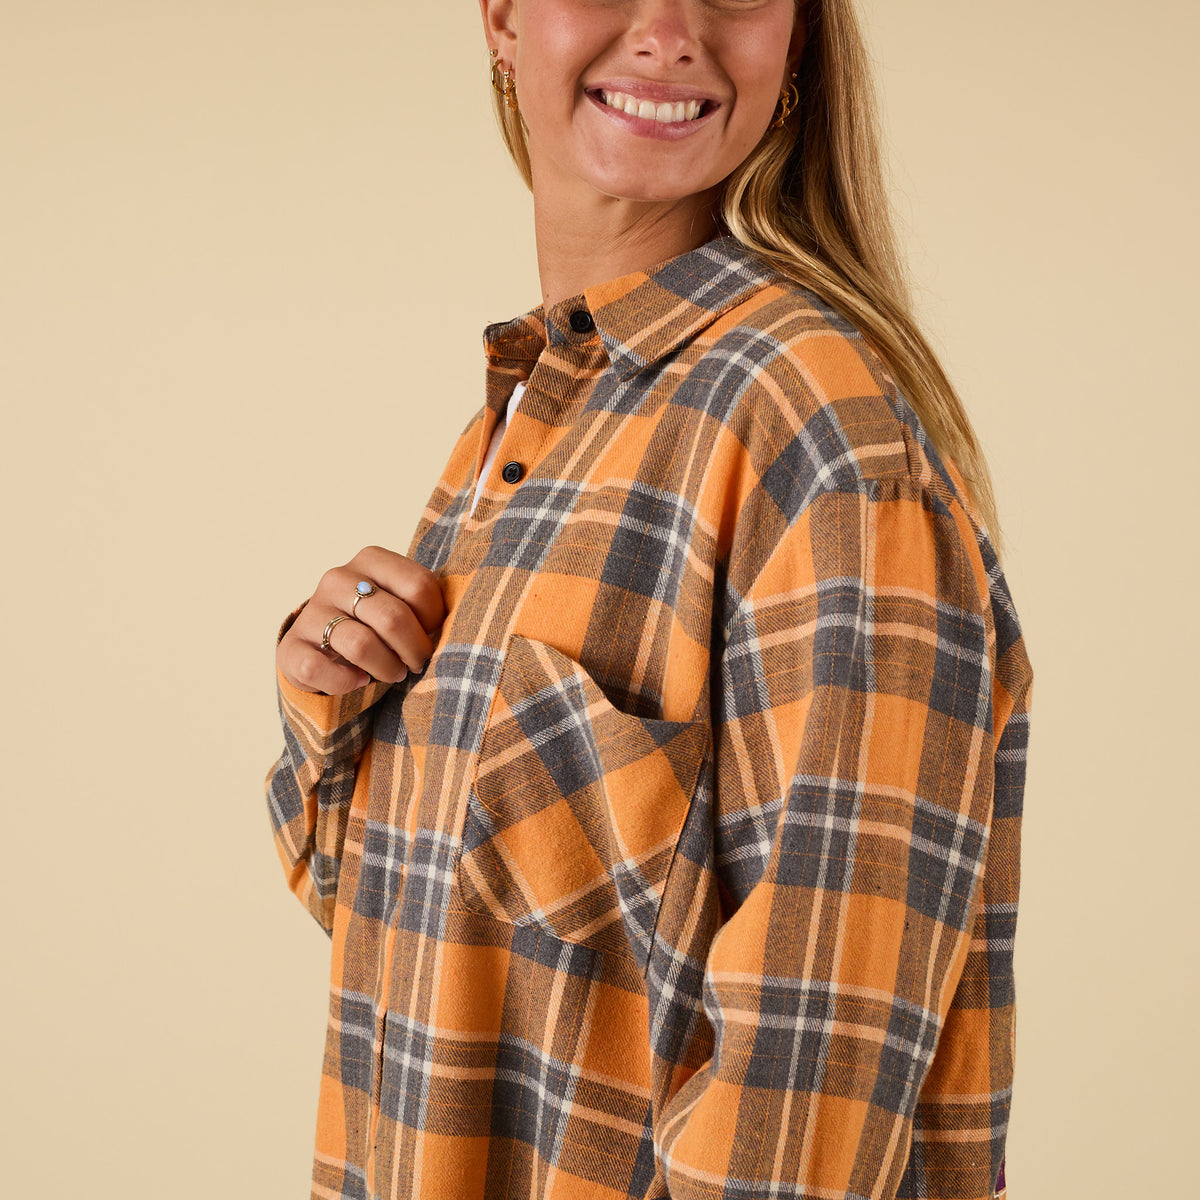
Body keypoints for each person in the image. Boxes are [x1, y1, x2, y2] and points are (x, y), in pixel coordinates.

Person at [265, 1, 1033, 1197]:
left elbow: (808, 1094)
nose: (670, 31)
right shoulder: (530, 413)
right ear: (502, 19)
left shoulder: (819, 440)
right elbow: (421, 932)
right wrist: (338, 698)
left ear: (796, 45)